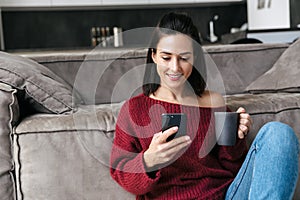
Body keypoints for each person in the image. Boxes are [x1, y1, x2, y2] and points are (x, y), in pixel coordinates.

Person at [110, 12, 299, 200]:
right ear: (154, 56)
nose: (175, 68)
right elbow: (119, 170)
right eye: (166, 57)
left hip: (226, 195)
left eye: (184, 58)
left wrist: (235, 137)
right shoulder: (135, 109)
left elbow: (232, 167)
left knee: (278, 133)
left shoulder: (213, 103)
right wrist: (149, 160)